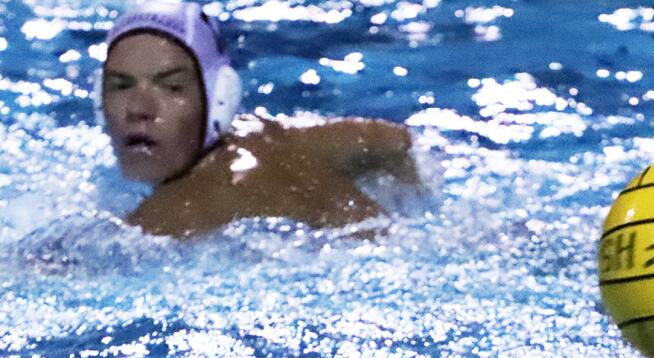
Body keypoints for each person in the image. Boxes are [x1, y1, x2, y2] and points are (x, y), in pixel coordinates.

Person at [97, 1, 423, 236]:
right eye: (120, 85)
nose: (139, 108)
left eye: (171, 87)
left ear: (218, 100)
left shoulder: (179, 209)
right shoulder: (271, 137)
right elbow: (393, 142)